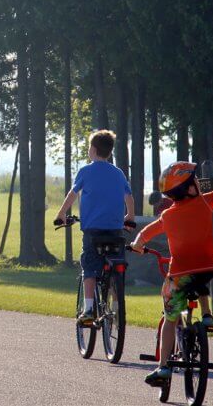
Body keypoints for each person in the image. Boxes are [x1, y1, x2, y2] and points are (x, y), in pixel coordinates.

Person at [130, 150, 213, 386]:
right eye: (195, 181)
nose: (198, 183)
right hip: (207, 268)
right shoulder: (206, 203)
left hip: (179, 276)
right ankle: (207, 316)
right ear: (190, 189)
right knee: (200, 278)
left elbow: (146, 232)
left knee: (171, 317)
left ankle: (163, 367)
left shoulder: (167, 216)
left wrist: (137, 244)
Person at [55, 130, 135, 325]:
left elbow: (73, 194)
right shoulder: (118, 173)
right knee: (116, 265)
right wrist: (130, 217)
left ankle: (89, 310)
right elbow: (129, 197)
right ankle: (117, 310)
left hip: (93, 231)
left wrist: (61, 214)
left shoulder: (86, 171)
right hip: (115, 230)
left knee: (89, 266)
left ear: (92, 149)